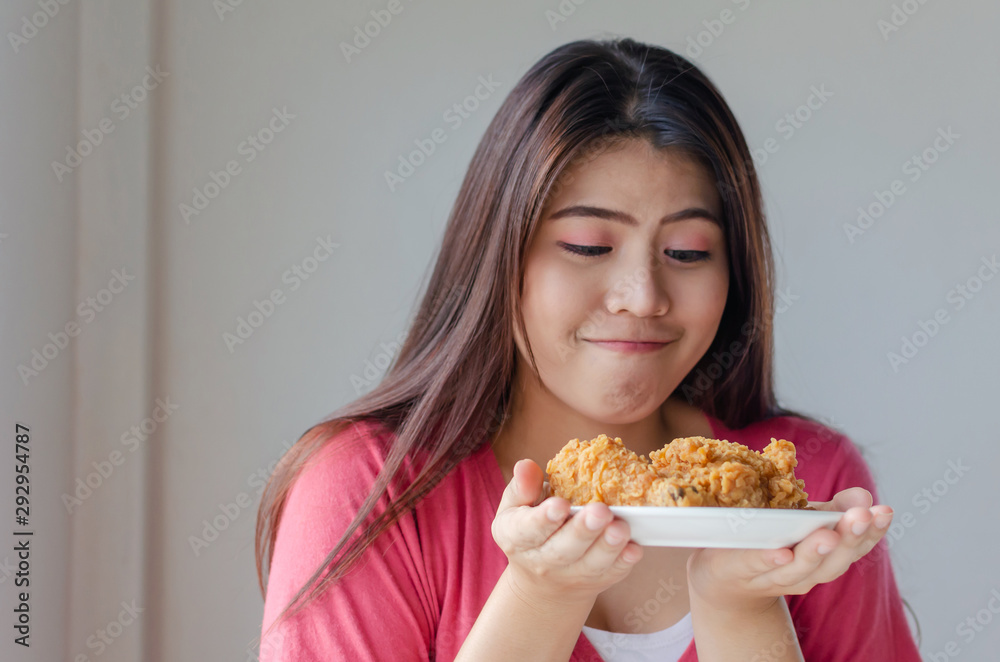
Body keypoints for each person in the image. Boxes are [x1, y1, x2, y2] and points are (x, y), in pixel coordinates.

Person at [254, 37, 922, 661]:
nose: (642, 296)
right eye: (588, 247)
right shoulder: (369, 490)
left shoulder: (808, 490)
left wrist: (740, 605)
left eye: (687, 253)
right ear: (501, 256)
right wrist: (542, 595)